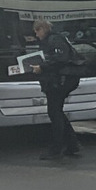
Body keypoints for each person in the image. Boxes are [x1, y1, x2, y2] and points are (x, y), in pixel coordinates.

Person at [29, 19, 83, 160]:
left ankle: (57, 148)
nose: (36, 35)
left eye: (37, 31)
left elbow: (61, 59)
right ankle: (71, 145)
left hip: (59, 82)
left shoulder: (54, 40)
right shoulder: (54, 39)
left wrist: (42, 67)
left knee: (54, 113)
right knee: (57, 112)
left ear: (42, 29)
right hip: (59, 81)